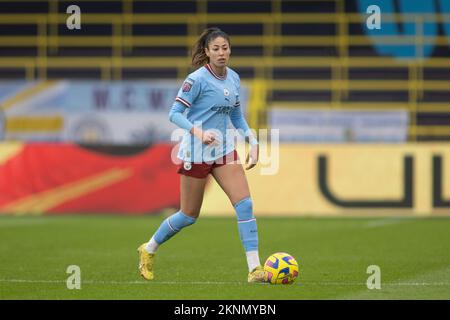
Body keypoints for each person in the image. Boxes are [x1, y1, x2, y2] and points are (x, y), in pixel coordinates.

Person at [137, 27, 267, 283]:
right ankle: (149, 248)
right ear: (207, 52)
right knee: (188, 215)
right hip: (196, 152)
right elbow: (174, 114)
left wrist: (252, 140)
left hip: (224, 150)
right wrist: (198, 132)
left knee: (245, 204)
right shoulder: (196, 80)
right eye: (216, 48)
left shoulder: (234, 79)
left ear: (230, 50)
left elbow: (236, 115)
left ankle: (254, 269)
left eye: (225, 48)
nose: (221, 53)